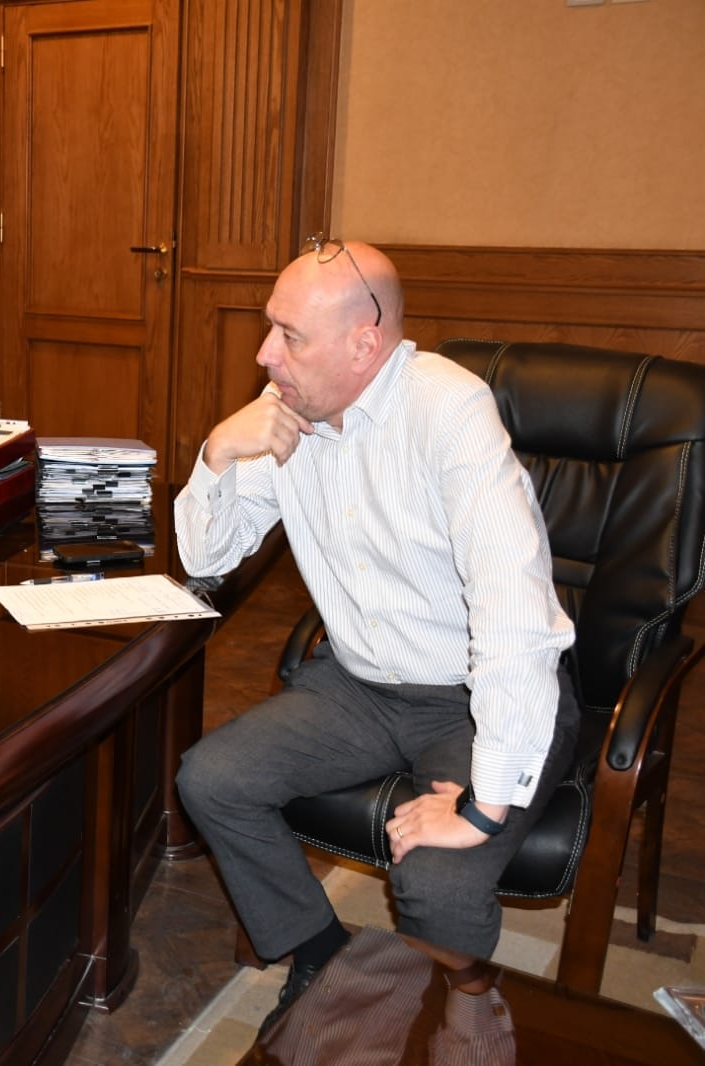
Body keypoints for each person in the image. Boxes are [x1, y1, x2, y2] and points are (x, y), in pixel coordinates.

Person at [173, 237, 578, 1036]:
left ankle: (461, 1015)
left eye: (289, 335)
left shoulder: (448, 411)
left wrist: (484, 808)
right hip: (356, 685)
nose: (264, 354)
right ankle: (320, 953)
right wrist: (217, 454)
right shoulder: (289, 406)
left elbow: (513, 609)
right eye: (270, 327)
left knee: (440, 882)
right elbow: (206, 558)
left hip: (471, 696)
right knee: (212, 779)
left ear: (364, 344)